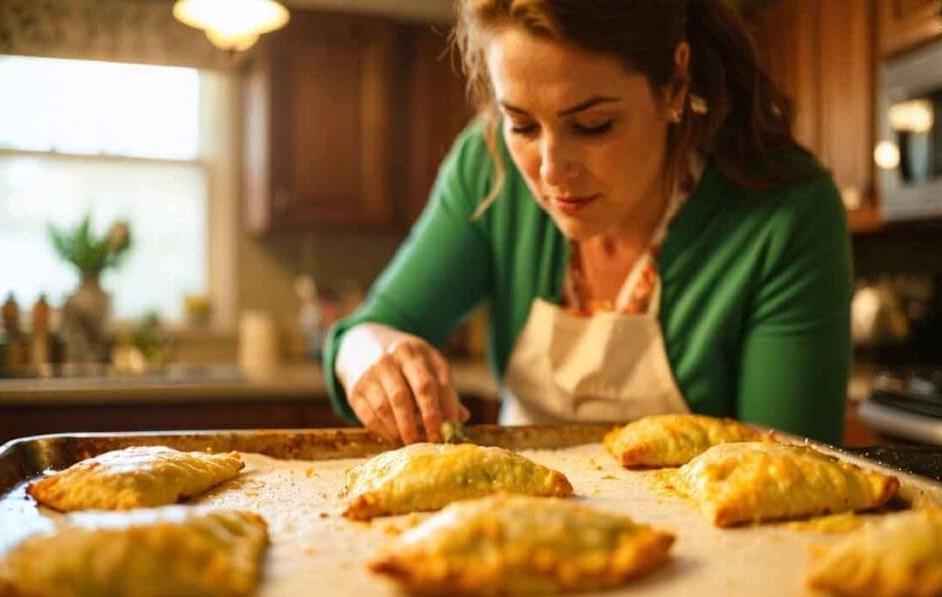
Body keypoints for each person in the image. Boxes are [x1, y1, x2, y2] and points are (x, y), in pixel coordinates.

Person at [324, 0, 852, 445]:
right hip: (516, 533)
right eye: (522, 125)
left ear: (673, 83)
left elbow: (788, 475)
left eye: (593, 125)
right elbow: (358, 335)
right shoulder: (488, 169)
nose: (552, 171)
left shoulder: (785, 212)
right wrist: (369, 352)